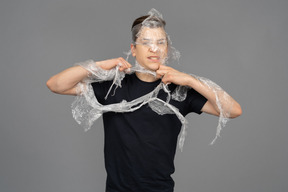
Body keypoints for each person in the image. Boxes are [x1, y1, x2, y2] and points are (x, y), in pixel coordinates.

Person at [47, 9, 242, 192]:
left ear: (168, 49)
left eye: (160, 43)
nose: (154, 49)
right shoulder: (114, 86)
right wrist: (100, 66)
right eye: (146, 43)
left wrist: (190, 80)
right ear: (133, 49)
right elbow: (56, 84)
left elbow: (233, 110)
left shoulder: (180, 91)